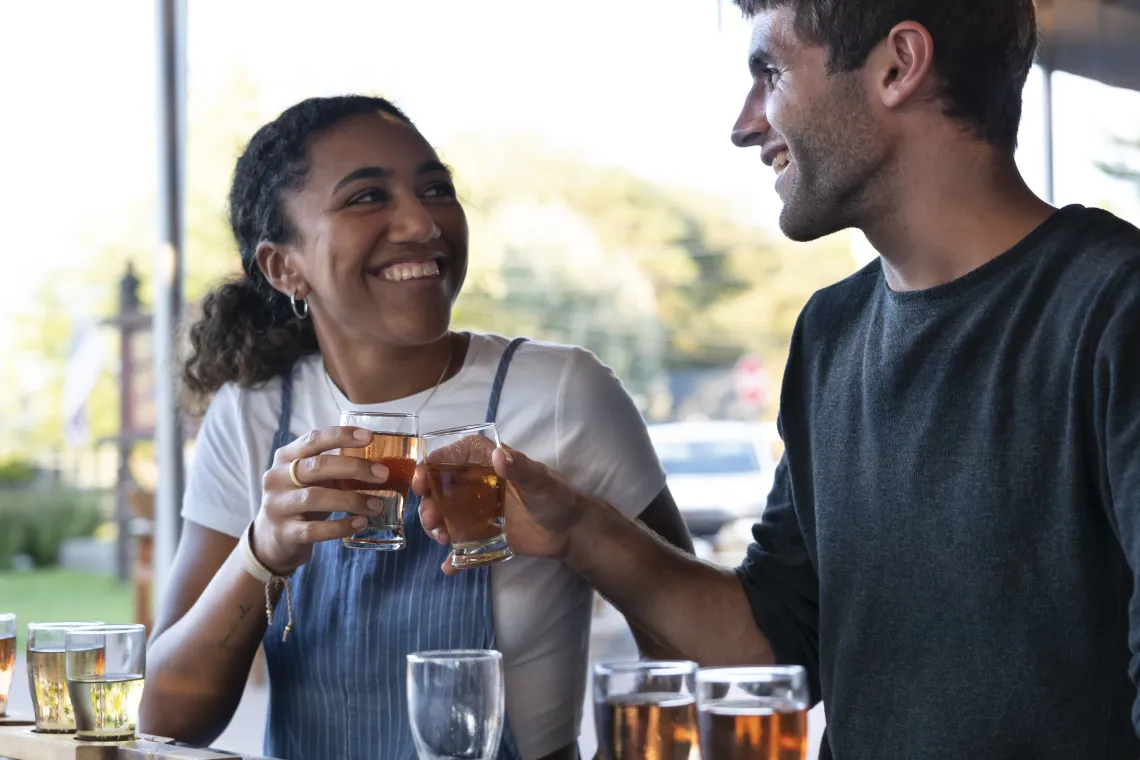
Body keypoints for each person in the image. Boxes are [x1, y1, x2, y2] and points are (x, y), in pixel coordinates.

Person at [419, 1, 1140, 758]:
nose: (744, 124)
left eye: (770, 71)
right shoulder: (830, 333)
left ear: (899, 65)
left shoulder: (1112, 310)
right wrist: (579, 530)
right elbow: (771, 652)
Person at [138, 95, 692, 760]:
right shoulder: (254, 415)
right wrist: (265, 549)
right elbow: (168, 718)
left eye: (437, 189)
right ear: (285, 267)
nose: (422, 221)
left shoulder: (563, 393)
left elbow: (684, 642)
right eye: (368, 197)